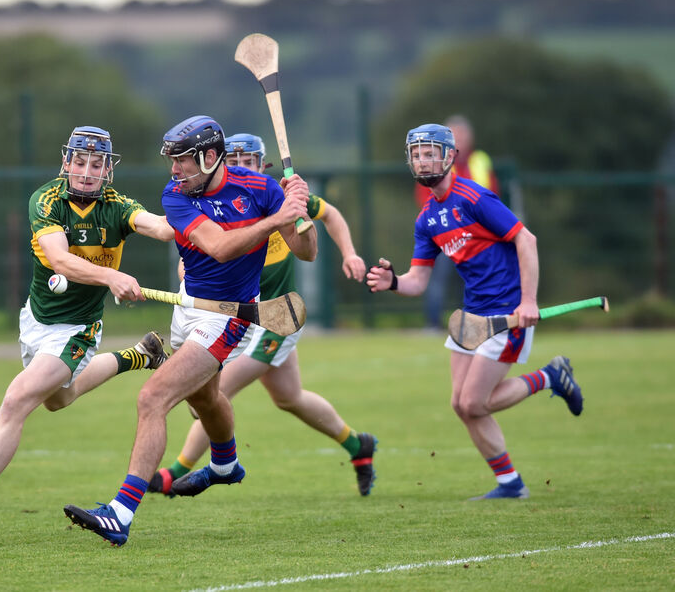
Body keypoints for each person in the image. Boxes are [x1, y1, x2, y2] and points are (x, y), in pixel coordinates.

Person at [63, 116, 316, 545]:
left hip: (228, 318)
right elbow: (218, 247)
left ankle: (120, 514)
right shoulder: (176, 195)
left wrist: (298, 212)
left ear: (210, 157)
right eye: (172, 161)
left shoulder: (262, 191)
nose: (174, 170)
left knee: (152, 397)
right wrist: (276, 219)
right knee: (205, 398)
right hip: (189, 307)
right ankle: (225, 465)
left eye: (182, 161)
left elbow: (306, 252)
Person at [0, 126, 175, 535]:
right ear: (66, 162)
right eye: (80, 162)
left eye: (97, 165)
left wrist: (194, 201)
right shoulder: (45, 200)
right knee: (60, 399)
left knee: (17, 400)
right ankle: (139, 355)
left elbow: (162, 228)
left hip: (77, 330)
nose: (87, 172)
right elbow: (60, 260)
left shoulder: (118, 207)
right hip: (37, 321)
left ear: (108, 172)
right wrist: (111, 278)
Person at [146, 133, 377, 499]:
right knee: (290, 397)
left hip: (276, 315)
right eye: (233, 158)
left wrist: (344, 250)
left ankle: (174, 474)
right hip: (234, 314)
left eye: (248, 159)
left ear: (261, 164)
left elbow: (326, 219)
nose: (240, 166)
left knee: (213, 392)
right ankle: (358, 446)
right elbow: (194, 256)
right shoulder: (211, 198)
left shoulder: (272, 195)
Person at [367, 123, 583, 500]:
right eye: (416, 153)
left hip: (507, 311)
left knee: (473, 402)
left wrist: (528, 300)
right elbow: (418, 279)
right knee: (460, 405)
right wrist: (395, 282)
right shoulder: (427, 218)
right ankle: (510, 484)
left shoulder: (474, 198)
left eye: (430, 152)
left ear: (450, 156)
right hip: (471, 314)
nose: (423, 159)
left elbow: (525, 239)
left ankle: (550, 377)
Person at [414, 115, 499, 330]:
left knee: (475, 280)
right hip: (444, 234)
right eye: (454, 135)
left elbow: (492, 194)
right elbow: (424, 197)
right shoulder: (434, 161)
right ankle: (432, 324)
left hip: (477, 235)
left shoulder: (479, 160)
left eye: (462, 134)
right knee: (436, 279)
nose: (459, 139)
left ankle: (476, 323)